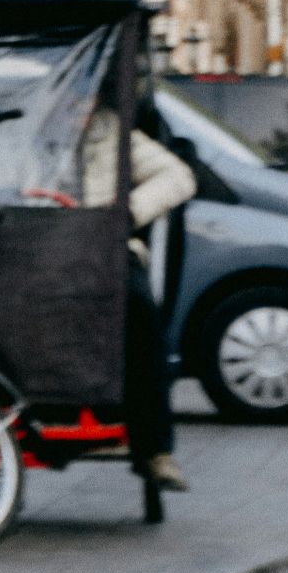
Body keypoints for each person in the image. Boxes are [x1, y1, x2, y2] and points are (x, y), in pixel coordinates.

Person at [82, 103, 197, 491]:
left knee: (140, 313)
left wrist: (126, 214)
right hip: (31, 246)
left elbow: (178, 176)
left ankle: (154, 449)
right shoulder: (22, 126)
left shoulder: (113, 132)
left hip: (104, 248)